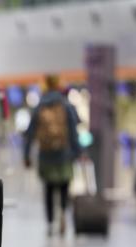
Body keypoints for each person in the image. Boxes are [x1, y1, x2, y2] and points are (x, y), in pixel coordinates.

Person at [24, 75, 81, 236]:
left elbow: (30, 134)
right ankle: (63, 213)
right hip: (64, 154)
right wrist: (77, 152)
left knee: (48, 189)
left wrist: (26, 155)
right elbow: (73, 132)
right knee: (64, 187)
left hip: (45, 155)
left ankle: (49, 222)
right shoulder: (66, 105)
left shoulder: (39, 106)